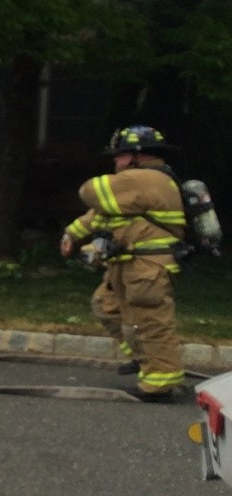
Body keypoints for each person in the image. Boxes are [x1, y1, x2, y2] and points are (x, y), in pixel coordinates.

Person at [59, 125, 188, 401]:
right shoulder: (138, 184)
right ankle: (145, 361)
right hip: (127, 263)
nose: (115, 162)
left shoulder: (147, 178)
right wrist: (73, 233)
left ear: (136, 155)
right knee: (106, 306)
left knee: (149, 321)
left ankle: (159, 384)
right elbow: (101, 215)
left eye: (119, 156)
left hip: (147, 266)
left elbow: (90, 191)